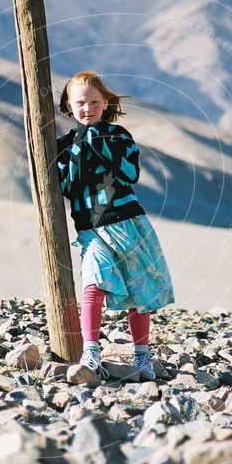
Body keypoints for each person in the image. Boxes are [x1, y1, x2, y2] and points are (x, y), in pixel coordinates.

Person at [55, 71, 175, 381]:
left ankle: (142, 355)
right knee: (93, 284)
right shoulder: (64, 146)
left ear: (106, 103)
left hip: (126, 222)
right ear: (69, 106)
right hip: (90, 227)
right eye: (80, 103)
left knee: (139, 291)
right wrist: (80, 147)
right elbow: (68, 187)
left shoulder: (119, 136)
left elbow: (129, 173)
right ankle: (91, 353)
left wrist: (96, 141)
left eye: (94, 102)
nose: (87, 109)